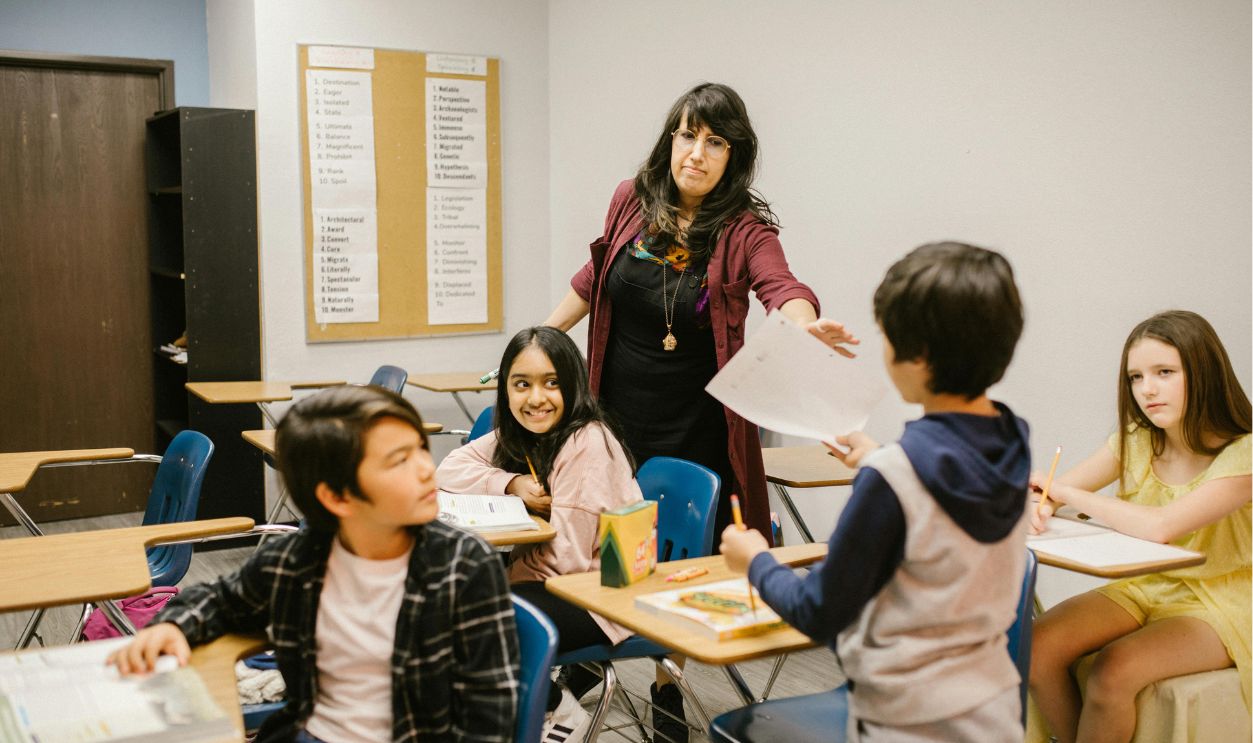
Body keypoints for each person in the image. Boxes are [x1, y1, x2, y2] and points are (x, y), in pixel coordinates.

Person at [721, 241, 1032, 741]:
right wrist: (877, 457)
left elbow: (818, 611)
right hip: (992, 710)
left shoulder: (894, 477)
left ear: (918, 356)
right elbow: (940, 498)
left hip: (904, 721)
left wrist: (755, 559)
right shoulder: (1011, 442)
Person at [108, 386, 519, 743]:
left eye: (420, 451)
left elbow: (489, 713)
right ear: (337, 498)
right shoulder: (295, 561)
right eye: (400, 461)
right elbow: (220, 600)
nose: (427, 470)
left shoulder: (463, 566)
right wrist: (171, 626)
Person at [543, 82, 858, 544]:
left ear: (734, 156)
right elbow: (599, 272)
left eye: (715, 143)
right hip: (615, 415)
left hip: (697, 427)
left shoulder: (745, 232)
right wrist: (539, 339)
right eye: (688, 136)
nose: (697, 154)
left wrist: (805, 325)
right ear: (671, 139)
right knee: (607, 552)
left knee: (687, 557)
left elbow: (781, 286)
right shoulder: (630, 199)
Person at [1028, 310, 1251, 743]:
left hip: (1220, 599)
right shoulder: (1136, 439)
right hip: (1143, 585)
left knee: (1114, 669)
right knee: (1035, 648)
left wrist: (1064, 495)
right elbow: (1047, 491)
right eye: (1135, 377)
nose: (1146, 389)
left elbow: (1161, 526)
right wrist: (1038, 502)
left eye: (1164, 372)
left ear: (1203, 372)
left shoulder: (1245, 453)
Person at [437, 326, 643, 742]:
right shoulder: (524, 434)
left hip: (598, 593)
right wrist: (511, 484)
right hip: (556, 578)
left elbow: (569, 559)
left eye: (552, 383)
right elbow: (449, 469)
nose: (536, 398)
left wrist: (500, 582)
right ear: (506, 390)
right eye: (521, 384)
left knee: (469, 616)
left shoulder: (587, 442)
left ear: (573, 385)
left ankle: (558, 710)